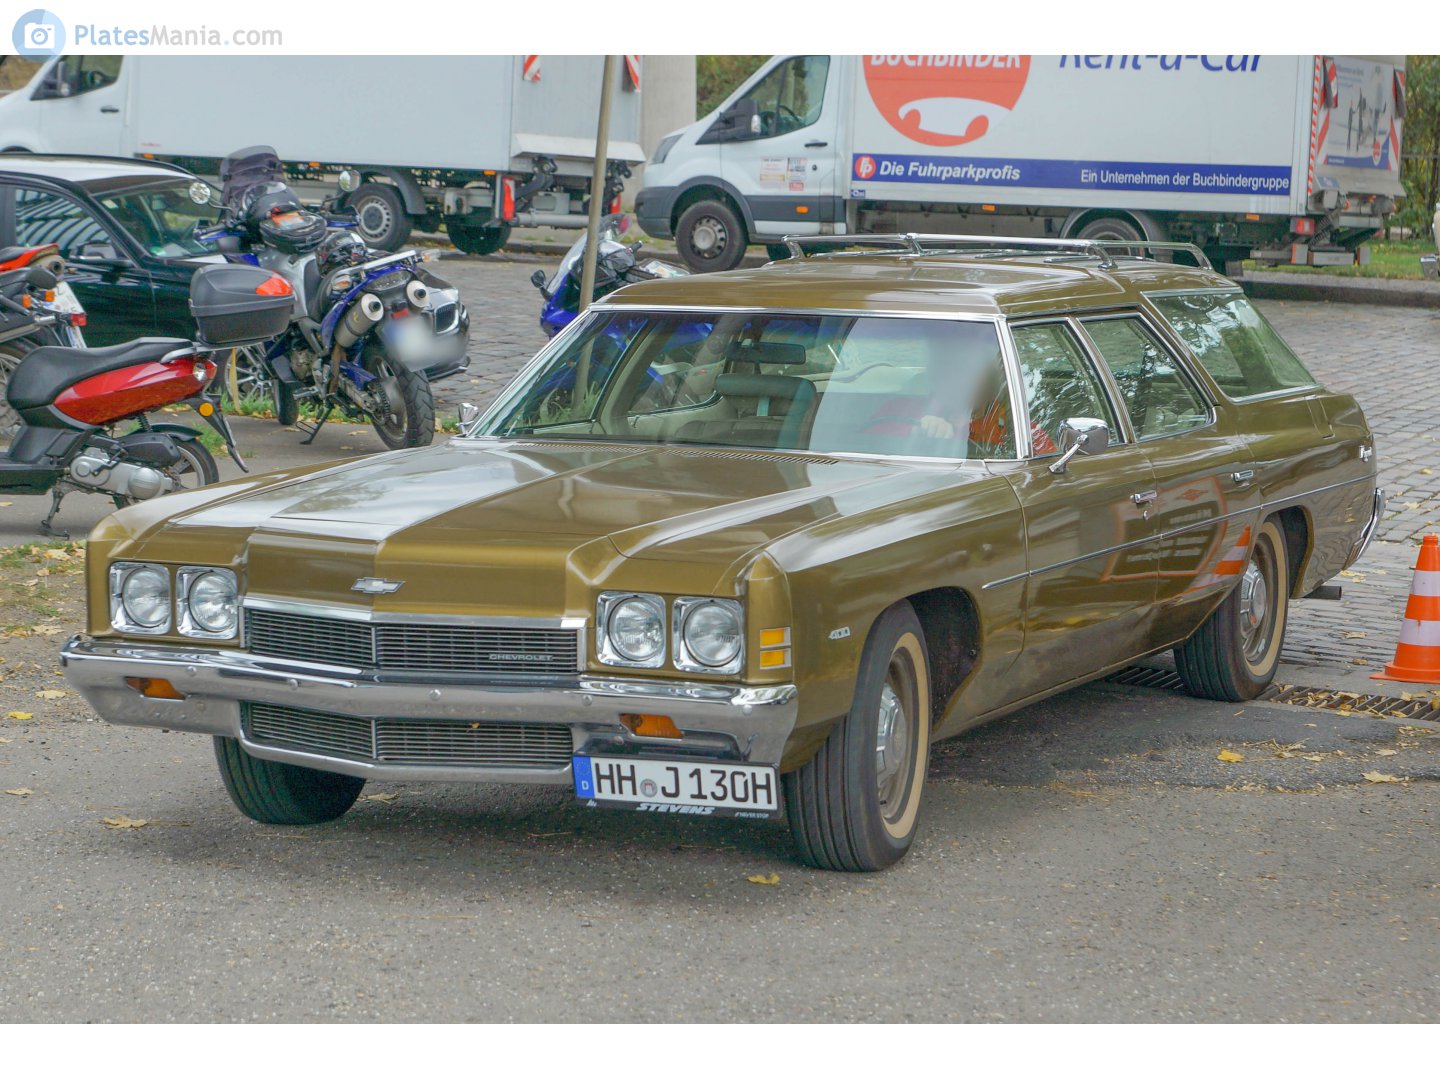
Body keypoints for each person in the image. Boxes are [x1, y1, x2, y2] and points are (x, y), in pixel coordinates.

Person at [864, 328, 1056, 456]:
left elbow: (1047, 473)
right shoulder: (898, 411)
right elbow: (867, 447)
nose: (952, 376)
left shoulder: (1018, 428)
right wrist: (916, 431)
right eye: (944, 364)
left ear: (993, 377)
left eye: (965, 367)